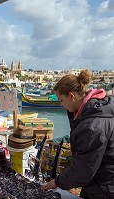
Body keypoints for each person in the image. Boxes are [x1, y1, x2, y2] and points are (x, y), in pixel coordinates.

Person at [42, 70, 114, 198]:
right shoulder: (101, 107)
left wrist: (57, 182)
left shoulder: (91, 126)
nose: (61, 104)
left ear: (72, 96)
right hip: (98, 181)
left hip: (105, 187)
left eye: (61, 100)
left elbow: (84, 169)